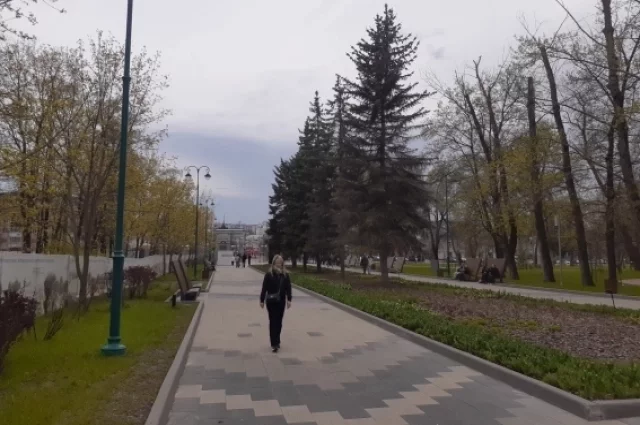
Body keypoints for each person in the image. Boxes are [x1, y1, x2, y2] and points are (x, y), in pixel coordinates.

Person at [260, 255, 292, 352]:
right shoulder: (269, 274)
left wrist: (289, 299)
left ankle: (277, 339)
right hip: (271, 302)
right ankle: (274, 343)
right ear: (273, 262)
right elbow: (264, 288)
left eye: (280, 262)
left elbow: (288, 288)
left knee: (279, 322)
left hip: (281, 301)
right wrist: (261, 300)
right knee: (273, 321)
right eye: (277, 262)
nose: (279, 264)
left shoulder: (285, 275)